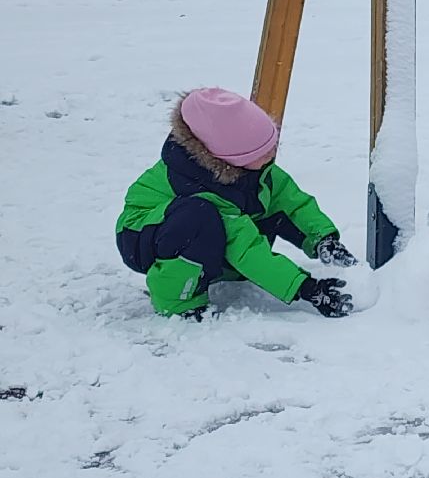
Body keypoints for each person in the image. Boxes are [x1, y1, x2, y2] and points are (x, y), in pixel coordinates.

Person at [116, 88, 357, 320]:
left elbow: (290, 202)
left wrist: (323, 238)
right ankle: (176, 301)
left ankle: (219, 270)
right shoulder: (201, 187)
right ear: (231, 158)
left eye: (272, 145)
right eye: (261, 152)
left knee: (262, 201)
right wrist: (305, 288)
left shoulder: (251, 169)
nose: (271, 154)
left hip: (199, 224)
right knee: (199, 218)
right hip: (144, 234)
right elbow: (246, 248)